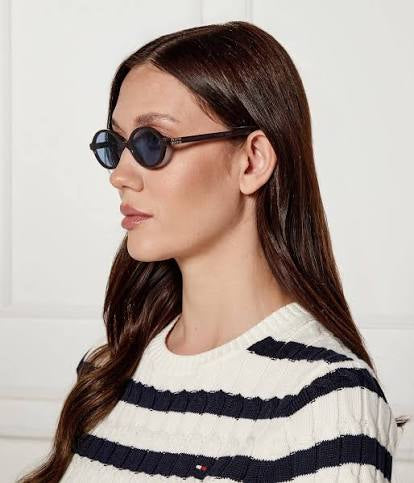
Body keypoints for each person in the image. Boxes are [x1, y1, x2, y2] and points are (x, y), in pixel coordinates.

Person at [17, 20, 407, 482]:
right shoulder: (108, 372)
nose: (119, 175)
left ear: (252, 160)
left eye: (151, 143)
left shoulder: (329, 403)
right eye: (116, 145)